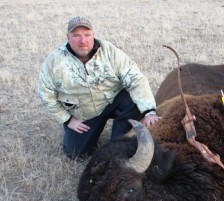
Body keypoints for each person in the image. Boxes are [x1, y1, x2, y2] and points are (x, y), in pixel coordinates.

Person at [38, 16, 160, 159]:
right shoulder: (54, 61)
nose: (82, 41)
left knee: (134, 102)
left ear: (93, 35)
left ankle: (118, 142)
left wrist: (149, 111)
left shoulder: (109, 51)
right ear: (68, 37)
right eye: (76, 36)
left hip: (113, 99)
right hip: (84, 112)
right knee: (77, 154)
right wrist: (68, 119)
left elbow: (135, 78)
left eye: (87, 35)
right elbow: (45, 94)